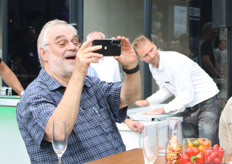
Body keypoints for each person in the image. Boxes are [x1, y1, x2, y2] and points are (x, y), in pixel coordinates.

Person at [16, 19, 141, 163]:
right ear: (44, 54)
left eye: (75, 42)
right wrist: (79, 73)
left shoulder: (90, 83)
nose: (72, 47)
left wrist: (131, 67)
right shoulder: (35, 94)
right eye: (62, 43)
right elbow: (58, 133)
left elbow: (129, 96)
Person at [132, 35, 222, 145]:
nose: (151, 55)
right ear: (141, 59)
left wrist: (162, 109)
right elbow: (167, 89)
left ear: (154, 45)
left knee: (207, 150)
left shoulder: (175, 61)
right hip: (188, 107)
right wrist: (146, 102)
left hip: (208, 103)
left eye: (152, 50)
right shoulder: (152, 66)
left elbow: (186, 95)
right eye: (146, 55)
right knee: (190, 150)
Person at [87, 31, 144, 134]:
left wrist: (126, 119)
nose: (98, 47)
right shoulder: (85, 66)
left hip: (110, 115)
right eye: (94, 43)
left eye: (101, 43)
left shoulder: (112, 60)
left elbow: (118, 93)